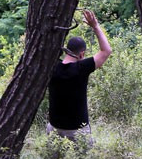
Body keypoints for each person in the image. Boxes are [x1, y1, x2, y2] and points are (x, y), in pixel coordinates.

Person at [47, 9, 112, 142]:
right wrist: (95, 26)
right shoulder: (81, 68)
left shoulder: (51, 67)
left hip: (54, 128)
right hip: (78, 130)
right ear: (82, 54)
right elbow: (106, 51)